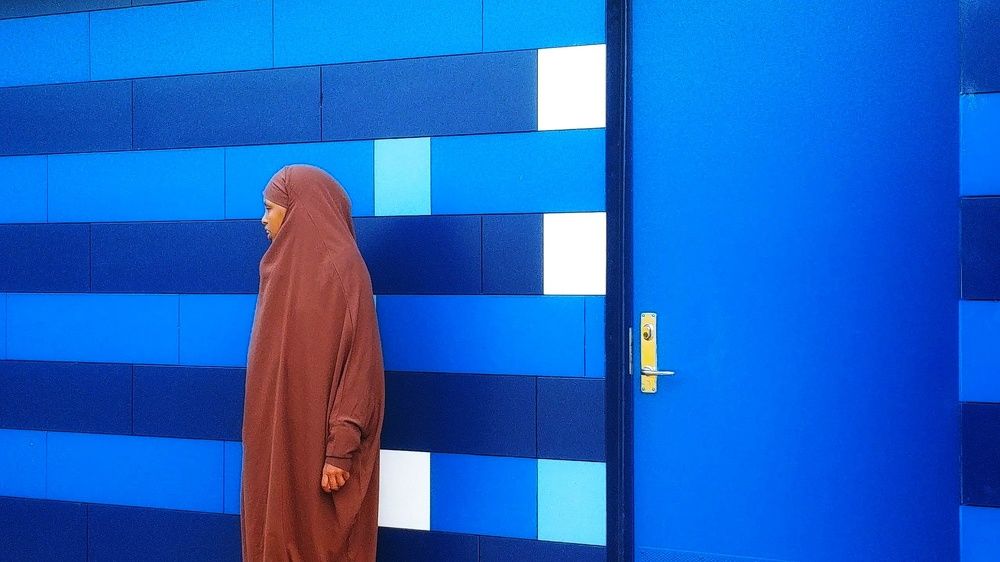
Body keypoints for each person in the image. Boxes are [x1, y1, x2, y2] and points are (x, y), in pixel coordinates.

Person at [241, 164, 385, 561]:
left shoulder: (344, 272)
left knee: (315, 541)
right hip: (275, 439)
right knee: (273, 528)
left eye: (270, 208)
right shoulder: (279, 270)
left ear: (299, 209)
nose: (263, 219)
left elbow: (362, 368)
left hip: (316, 450)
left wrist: (340, 448)